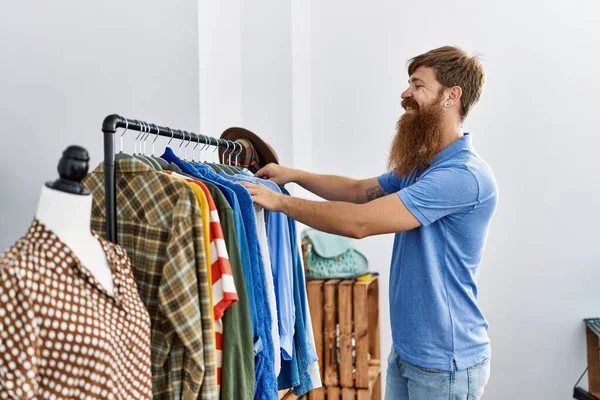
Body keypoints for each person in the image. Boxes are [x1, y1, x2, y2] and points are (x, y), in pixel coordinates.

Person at [240, 46, 498, 400]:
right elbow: (360, 191)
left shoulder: (462, 175)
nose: (405, 94)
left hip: (446, 364)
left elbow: (360, 223)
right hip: (409, 353)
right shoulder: (424, 166)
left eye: (418, 85)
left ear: (451, 96)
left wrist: (281, 203)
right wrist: (293, 175)